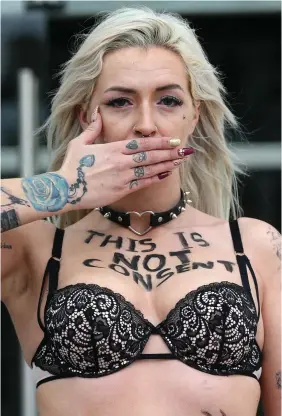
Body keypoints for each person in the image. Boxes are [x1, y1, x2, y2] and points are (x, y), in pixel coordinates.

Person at [1, 6, 281, 416]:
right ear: (86, 118)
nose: (146, 125)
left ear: (194, 115)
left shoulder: (256, 246)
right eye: (120, 102)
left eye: (168, 100)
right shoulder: (38, 250)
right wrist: (65, 187)